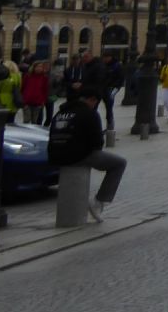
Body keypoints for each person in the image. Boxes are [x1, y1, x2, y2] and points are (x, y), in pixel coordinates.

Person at [47, 87, 126, 222]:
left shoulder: (60, 113)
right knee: (119, 163)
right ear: (92, 100)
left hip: (55, 155)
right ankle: (99, 201)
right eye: (95, 102)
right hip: (78, 156)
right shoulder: (89, 113)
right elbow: (97, 141)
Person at [20, 57, 50, 125]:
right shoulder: (28, 76)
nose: (39, 68)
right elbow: (22, 88)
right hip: (27, 102)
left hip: (37, 103)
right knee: (27, 120)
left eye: (41, 67)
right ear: (33, 67)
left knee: (34, 121)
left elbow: (45, 90)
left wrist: (43, 101)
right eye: (37, 66)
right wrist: (22, 100)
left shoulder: (44, 78)